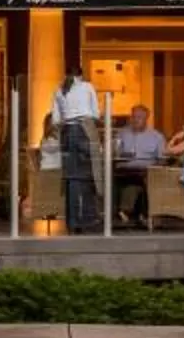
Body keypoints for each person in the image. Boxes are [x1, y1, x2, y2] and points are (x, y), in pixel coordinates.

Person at [49, 67, 103, 235]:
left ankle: (72, 222)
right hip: (84, 130)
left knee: (71, 178)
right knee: (89, 175)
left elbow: (56, 119)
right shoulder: (88, 87)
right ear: (81, 75)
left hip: (67, 133)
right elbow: (95, 113)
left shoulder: (59, 90)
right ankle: (88, 218)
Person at [113, 105, 166, 228]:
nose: (136, 120)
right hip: (125, 170)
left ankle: (127, 210)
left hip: (146, 171)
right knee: (117, 179)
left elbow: (162, 159)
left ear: (146, 118)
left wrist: (155, 168)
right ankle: (136, 214)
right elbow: (115, 152)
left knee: (141, 181)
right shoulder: (122, 134)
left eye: (140, 117)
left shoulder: (156, 136)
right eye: (134, 117)